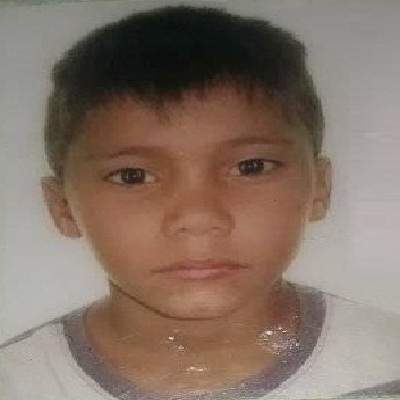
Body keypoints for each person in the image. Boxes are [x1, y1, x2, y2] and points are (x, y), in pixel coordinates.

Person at [0, 5, 399, 400]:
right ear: (62, 207)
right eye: (133, 176)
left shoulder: (387, 365)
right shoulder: (17, 385)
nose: (198, 218)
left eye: (251, 167)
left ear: (319, 188)